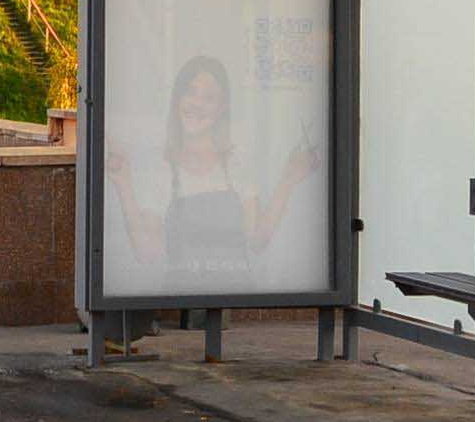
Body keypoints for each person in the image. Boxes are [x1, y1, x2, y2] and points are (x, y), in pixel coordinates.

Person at [106, 55, 323, 284]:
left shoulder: (237, 165)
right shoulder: (163, 167)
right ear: (178, 98)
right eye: (190, 92)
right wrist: (123, 183)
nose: (196, 104)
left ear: (221, 108)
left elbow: (257, 241)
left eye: (209, 97)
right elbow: (147, 252)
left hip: (232, 296)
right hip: (183, 299)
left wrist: (288, 180)